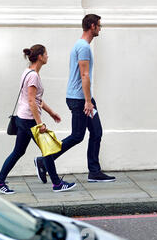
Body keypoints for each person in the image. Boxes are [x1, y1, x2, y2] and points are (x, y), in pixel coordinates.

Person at [34, 14, 116, 183]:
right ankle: (44, 160)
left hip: (82, 98)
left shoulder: (80, 45)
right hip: (80, 99)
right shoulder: (84, 47)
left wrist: (88, 99)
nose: (100, 29)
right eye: (99, 26)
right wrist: (87, 101)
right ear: (92, 26)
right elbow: (84, 75)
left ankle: (94, 171)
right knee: (78, 135)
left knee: (96, 132)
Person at [0, 45, 76, 194]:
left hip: (23, 118)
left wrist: (51, 113)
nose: (47, 56)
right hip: (29, 120)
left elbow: (36, 100)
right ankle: (57, 184)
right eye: (46, 54)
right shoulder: (33, 76)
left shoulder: (28, 72)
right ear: (40, 57)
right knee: (48, 150)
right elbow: (31, 101)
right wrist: (40, 124)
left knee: (18, 152)